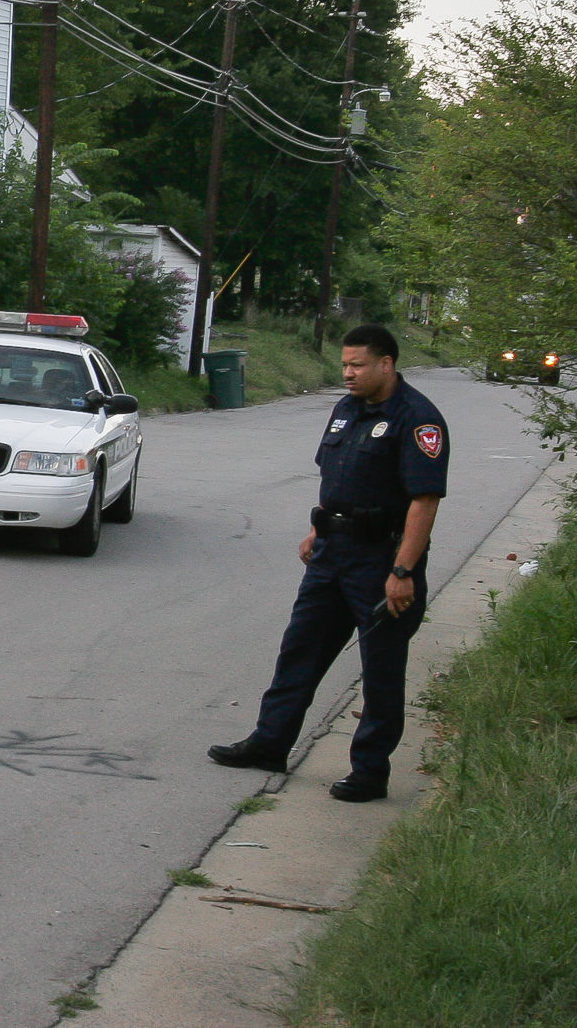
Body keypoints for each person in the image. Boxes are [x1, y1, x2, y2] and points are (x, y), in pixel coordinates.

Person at [209, 323, 449, 801]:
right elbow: (336, 477)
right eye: (344, 364)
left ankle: (369, 771)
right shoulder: (345, 409)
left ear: (386, 364)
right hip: (332, 555)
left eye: (357, 365)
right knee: (299, 650)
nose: (348, 373)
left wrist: (402, 573)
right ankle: (269, 743)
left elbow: (424, 501)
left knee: (380, 670)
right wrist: (319, 529)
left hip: (382, 560)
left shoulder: (418, 419)